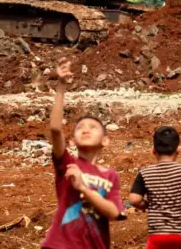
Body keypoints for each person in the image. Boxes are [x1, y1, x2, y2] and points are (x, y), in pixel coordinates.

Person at [41, 59, 125, 249]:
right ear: (72, 141)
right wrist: (61, 86)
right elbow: (55, 129)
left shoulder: (110, 175)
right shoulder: (68, 164)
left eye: (93, 127)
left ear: (105, 140)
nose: (86, 130)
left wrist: (84, 188)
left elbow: (114, 212)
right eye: (80, 128)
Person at [130, 126, 181, 249]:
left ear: (154, 151)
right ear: (177, 151)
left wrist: (147, 205)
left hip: (158, 235)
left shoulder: (145, 173)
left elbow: (134, 200)